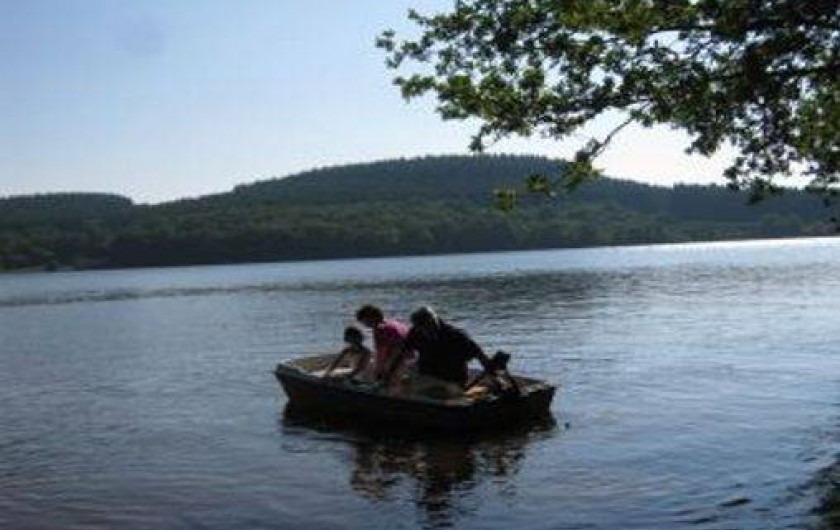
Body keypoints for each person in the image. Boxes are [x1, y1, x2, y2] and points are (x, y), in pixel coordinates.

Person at [404, 306, 507, 398]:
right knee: (405, 382)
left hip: (452, 379)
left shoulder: (456, 336)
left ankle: (461, 394)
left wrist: (496, 378)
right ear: (418, 327)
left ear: (436, 320)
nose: (430, 329)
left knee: (427, 391)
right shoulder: (415, 334)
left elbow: (480, 356)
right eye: (424, 327)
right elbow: (404, 353)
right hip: (428, 375)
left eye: (432, 324)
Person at [355, 304, 412, 388]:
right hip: (411, 359)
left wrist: (378, 373)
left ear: (370, 318)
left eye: (363, 321)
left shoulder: (380, 329)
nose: (364, 324)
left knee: (368, 373)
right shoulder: (394, 323)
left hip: (399, 363)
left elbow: (381, 354)